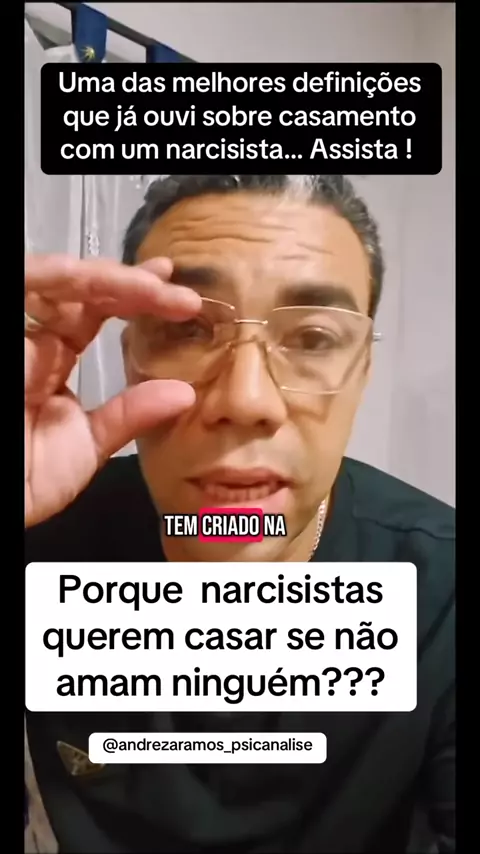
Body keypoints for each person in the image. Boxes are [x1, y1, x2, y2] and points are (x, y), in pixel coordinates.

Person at [25, 175, 455, 853]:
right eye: (187, 328)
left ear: (362, 372)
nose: (246, 399)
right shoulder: (44, 537)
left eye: (312, 337)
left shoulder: (443, 593)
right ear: (130, 357)